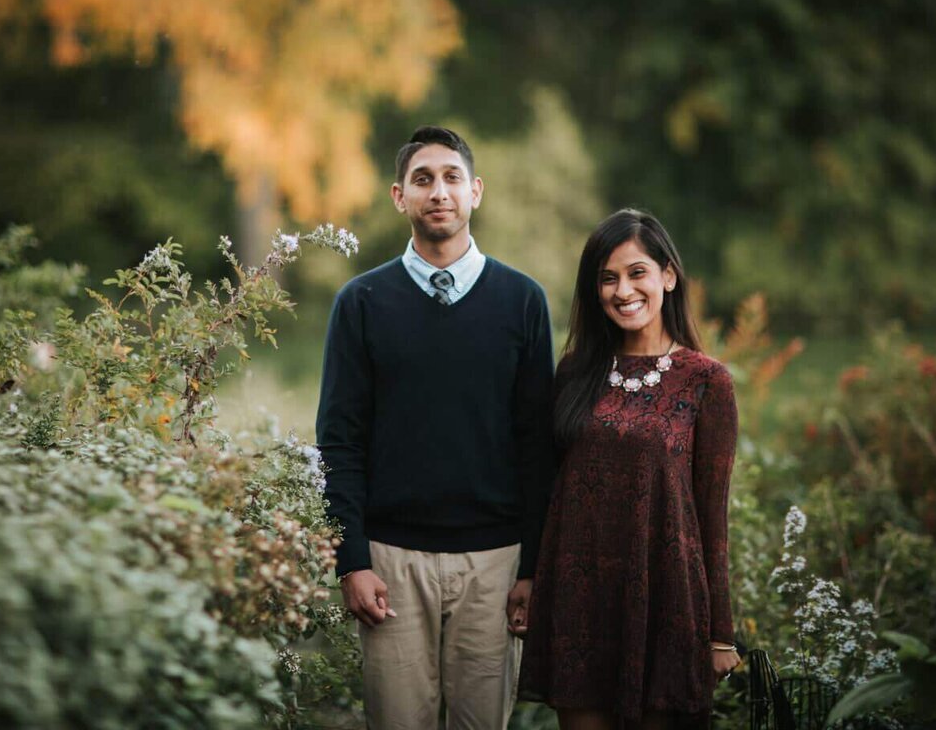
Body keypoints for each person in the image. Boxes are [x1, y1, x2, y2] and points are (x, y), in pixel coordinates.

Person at [317, 125, 556, 729]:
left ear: (475, 192)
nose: (438, 192)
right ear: (399, 197)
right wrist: (353, 559)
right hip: (391, 562)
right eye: (422, 180)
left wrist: (532, 567)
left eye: (451, 178)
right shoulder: (361, 302)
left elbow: (537, 444)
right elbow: (339, 439)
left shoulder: (522, 301)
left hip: (494, 562)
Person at [517, 209, 740, 730]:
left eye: (636, 273)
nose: (623, 290)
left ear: (667, 275)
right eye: (608, 278)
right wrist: (528, 576)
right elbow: (546, 486)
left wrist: (721, 633)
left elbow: (713, 514)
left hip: (665, 598)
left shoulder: (706, 381)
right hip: (580, 600)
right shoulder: (575, 371)